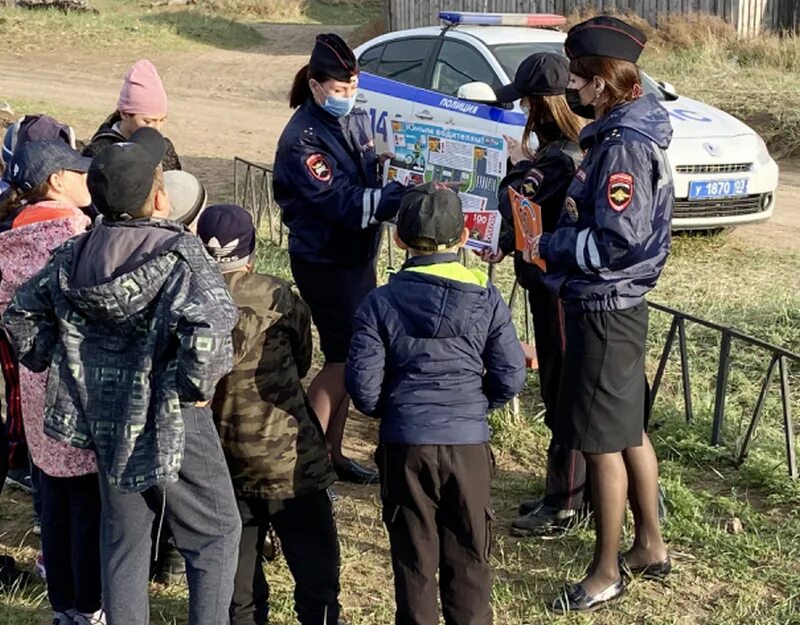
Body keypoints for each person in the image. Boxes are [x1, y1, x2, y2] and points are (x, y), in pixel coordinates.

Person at [3, 128, 242, 625]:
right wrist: (193, 387)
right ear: (160, 197)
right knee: (215, 533)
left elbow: (20, 316)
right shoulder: (181, 257)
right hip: (173, 413)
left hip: (107, 418)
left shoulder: (72, 256)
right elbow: (211, 327)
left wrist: (64, 362)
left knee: (123, 540)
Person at [530, 16, 673, 612]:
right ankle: (650, 546)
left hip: (604, 304)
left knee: (599, 443)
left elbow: (618, 239)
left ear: (605, 83)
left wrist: (550, 246)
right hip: (616, 304)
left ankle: (605, 568)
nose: (574, 91)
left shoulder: (623, 147)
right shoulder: (616, 134)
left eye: (581, 80)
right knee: (628, 429)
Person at [345, 183, 527, 625]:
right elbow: (511, 375)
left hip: (406, 443)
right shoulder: (485, 298)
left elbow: (363, 387)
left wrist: (394, 410)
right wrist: (475, 407)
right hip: (467, 441)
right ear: (464, 237)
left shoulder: (380, 302)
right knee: (470, 556)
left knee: (413, 557)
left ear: (399, 239)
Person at [273, 33, 407, 485]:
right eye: (338, 90)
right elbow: (340, 203)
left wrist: (387, 167)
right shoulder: (302, 141)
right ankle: (303, 461)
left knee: (347, 357)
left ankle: (331, 455)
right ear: (315, 88)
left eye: (352, 88)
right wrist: (393, 200)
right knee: (345, 362)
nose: (346, 97)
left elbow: (364, 170)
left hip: (355, 256)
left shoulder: (353, 119)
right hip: (326, 260)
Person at [198, 204, 341, 625]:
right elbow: (301, 361)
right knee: (316, 567)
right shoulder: (279, 296)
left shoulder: (186, 299)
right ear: (250, 252)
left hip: (220, 456)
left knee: (238, 583)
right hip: (290, 457)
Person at [486, 53, 589, 537]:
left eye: (526, 101)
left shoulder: (558, 159)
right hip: (553, 286)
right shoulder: (569, 148)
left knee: (563, 392)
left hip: (560, 293)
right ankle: (569, 490)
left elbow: (520, 202)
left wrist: (514, 170)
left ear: (539, 105)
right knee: (560, 387)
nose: (522, 110)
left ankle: (565, 502)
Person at [0, 140, 101, 624]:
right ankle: (88, 603)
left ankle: (62, 603)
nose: (88, 178)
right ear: (56, 181)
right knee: (86, 502)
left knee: (53, 501)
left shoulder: (12, 235)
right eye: (77, 171)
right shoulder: (75, 234)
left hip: (32, 386)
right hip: (77, 387)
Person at [83, 60, 181, 170]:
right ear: (124, 114)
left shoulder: (165, 149)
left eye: (161, 120)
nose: (157, 128)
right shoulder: (99, 153)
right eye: (148, 121)